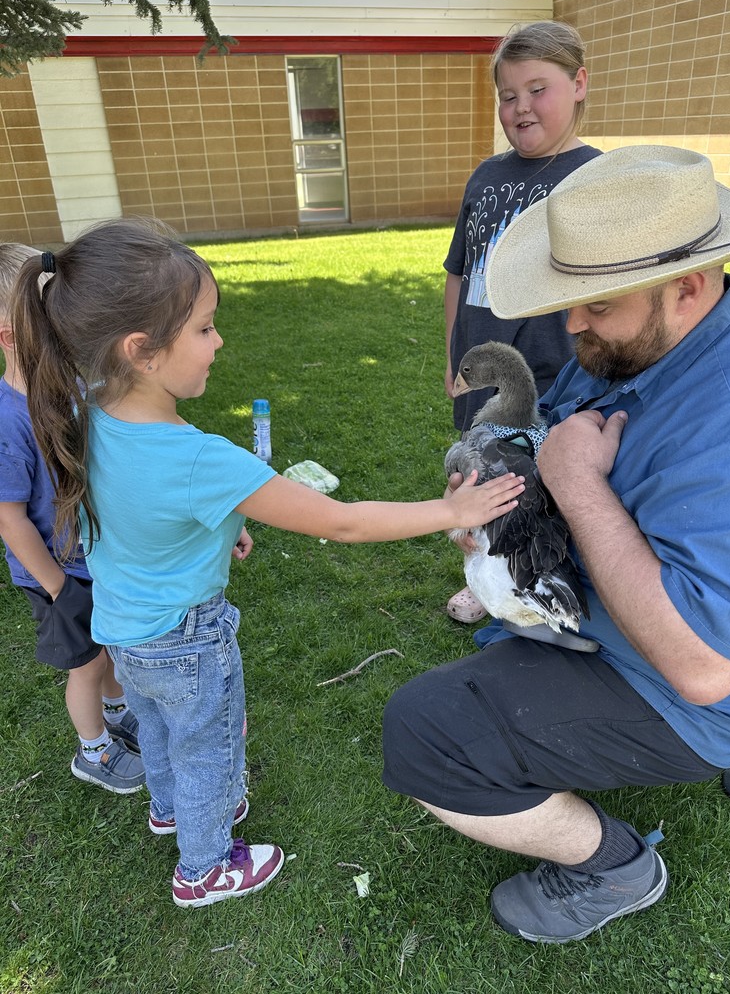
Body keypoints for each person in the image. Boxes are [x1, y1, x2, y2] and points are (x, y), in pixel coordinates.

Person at [10, 219, 524, 910]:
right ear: (142, 350)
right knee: (209, 748)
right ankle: (204, 866)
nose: (219, 341)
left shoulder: (89, 416)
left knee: (158, 732)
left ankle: (166, 808)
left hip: (124, 632)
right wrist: (450, 513)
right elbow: (342, 521)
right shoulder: (201, 460)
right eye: (203, 328)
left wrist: (217, 533)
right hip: (188, 641)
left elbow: (136, 515)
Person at [382, 145, 730, 943]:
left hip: (694, 684)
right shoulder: (642, 344)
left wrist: (580, 484)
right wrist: (491, 499)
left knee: (424, 733)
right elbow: (544, 434)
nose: (570, 323)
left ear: (688, 286)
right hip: (699, 641)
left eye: (595, 302)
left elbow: (701, 666)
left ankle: (615, 866)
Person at [444, 20, 602, 624]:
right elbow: (459, 273)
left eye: (538, 89)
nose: (521, 107)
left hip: (557, 374)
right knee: (481, 472)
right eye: (508, 96)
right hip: (486, 372)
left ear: (579, 82)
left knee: (545, 488)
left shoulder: (594, 179)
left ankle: (540, 582)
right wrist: (450, 356)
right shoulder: (485, 176)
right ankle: (486, 571)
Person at [0, 243, 144, 795]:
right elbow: (10, 521)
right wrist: (60, 589)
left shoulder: (70, 390)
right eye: (56, 327)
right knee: (84, 662)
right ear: (14, 337)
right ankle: (94, 751)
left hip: (91, 556)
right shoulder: (9, 419)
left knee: (106, 646)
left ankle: (116, 709)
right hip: (55, 573)